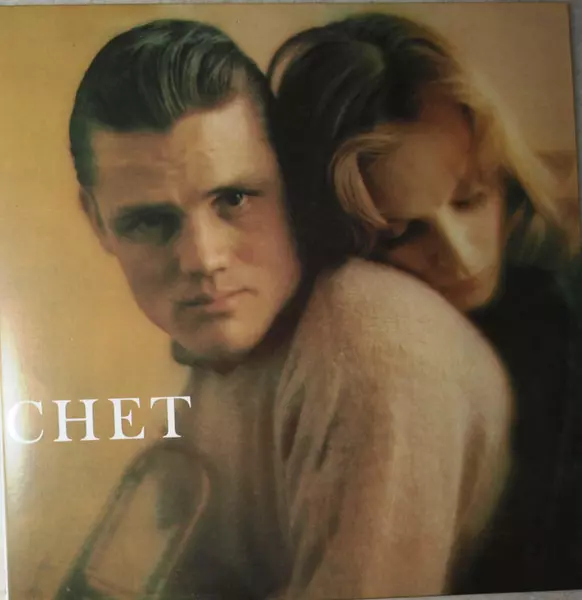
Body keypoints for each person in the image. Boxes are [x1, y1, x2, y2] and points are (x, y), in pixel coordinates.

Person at [67, 18, 512, 599]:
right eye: (150, 222)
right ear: (97, 222)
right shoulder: (226, 355)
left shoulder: (374, 346)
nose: (203, 259)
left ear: (289, 178)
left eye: (234, 198)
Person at [267, 12, 582, 593]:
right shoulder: (351, 318)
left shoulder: (559, 307)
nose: (462, 257)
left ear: (502, 172)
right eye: (403, 232)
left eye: (470, 198)